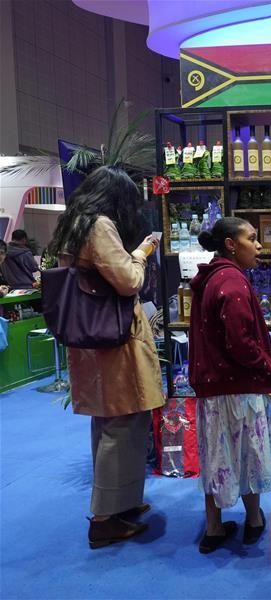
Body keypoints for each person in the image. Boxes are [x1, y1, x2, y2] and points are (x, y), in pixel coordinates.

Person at [47, 166, 163, 549]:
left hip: (92, 339)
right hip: (115, 342)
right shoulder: (99, 226)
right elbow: (128, 281)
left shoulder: (73, 225)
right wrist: (142, 252)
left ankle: (120, 503)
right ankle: (103, 519)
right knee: (123, 422)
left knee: (109, 420)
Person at [188, 217, 271, 554]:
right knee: (248, 454)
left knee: (215, 454)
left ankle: (214, 528)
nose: (259, 245)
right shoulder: (232, 281)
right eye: (252, 238)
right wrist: (268, 366)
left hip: (212, 387)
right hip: (238, 387)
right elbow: (241, 343)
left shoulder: (211, 277)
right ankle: (253, 520)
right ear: (231, 244)